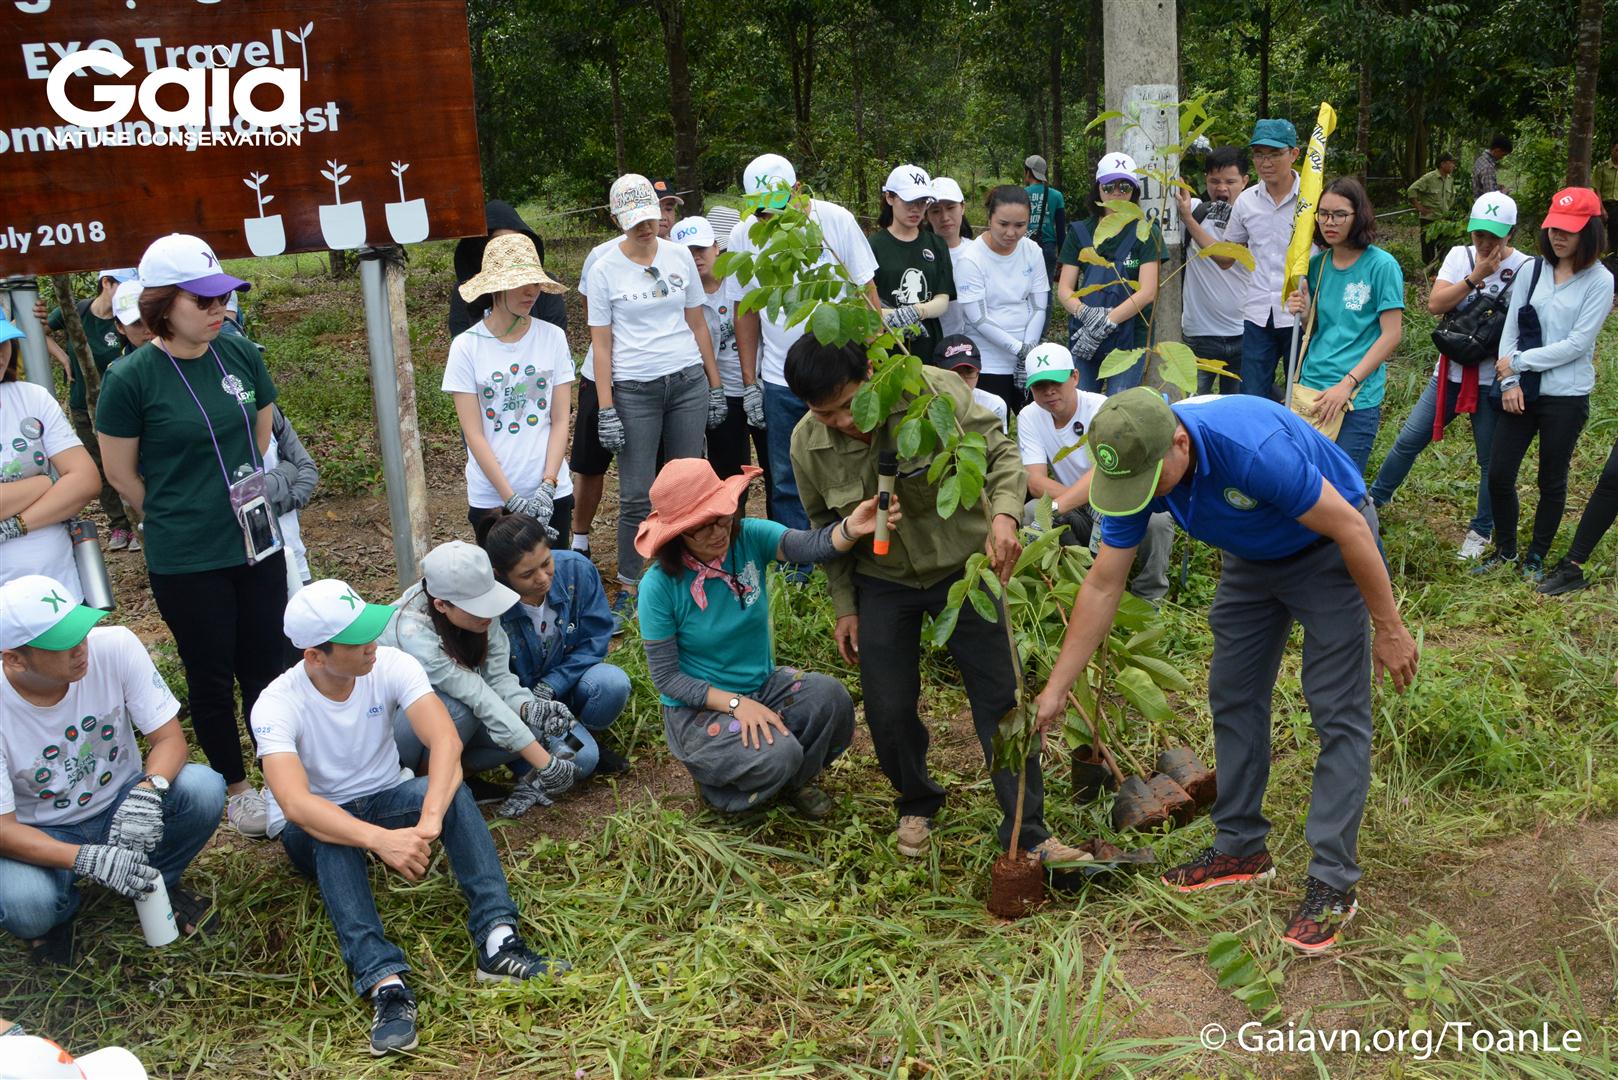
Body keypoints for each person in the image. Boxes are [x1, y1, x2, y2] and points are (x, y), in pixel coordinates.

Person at [1033, 389, 1419, 953]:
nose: (1144, 496)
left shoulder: (1251, 449)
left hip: (1329, 547)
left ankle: (1333, 883)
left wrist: (1389, 626)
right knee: (1233, 694)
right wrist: (1056, 689)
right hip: (1252, 558)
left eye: (1151, 483)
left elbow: (1352, 528)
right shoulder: (1139, 468)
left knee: (1337, 712)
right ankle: (1240, 846)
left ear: (1180, 442)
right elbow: (1103, 584)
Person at [786, 337, 1088, 864]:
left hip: (965, 568)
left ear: (871, 375)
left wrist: (1004, 515)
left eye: (847, 406)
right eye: (824, 414)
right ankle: (917, 800)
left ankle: (1028, 830)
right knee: (888, 706)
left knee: (1001, 700)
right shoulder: (806, 444)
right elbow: (824, 528)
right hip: (882, 579)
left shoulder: (931, 392)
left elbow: (999, 452)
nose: (841, 422)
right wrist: (845, 606)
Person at [254, 579, 569, 1056]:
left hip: (386, 797)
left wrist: (430, 819)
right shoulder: (277, 703)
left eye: (370, 630)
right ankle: (385, 981)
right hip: (317, 826)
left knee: (450, 789)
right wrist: (381, 841)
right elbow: (297, 804)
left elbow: (445, 742)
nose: (371, 644)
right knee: (329, 831)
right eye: (357, 639)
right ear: (315, 655)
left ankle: (498, 940)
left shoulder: (389, 664)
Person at [96, 234, 287, 839]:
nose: (218, 309)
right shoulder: (130, 378)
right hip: (187, 555)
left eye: (223, 296)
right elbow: (121, 474)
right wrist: (181, 510)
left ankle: (280, 777)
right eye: (202, 300)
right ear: (160, 304)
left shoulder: (240, 352)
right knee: (210, 673)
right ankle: (236, 789)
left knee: (268, 663)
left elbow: (258, 433)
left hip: (255, 540)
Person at [0, 575, 225, 964]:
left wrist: (148, 791)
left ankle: (155, 878)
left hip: (121, 801)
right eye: (61, 644)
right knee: (28, 907)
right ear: (15, 659)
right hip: (41, 828)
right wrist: (83, 858)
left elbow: (170, 740)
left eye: (80, 631)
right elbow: (3, 829)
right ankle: (60, 910)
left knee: (203, 788)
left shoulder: (115, 645)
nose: (80, 648)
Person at [636, 459, 865, 816]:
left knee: (830, 698)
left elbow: (807, 546)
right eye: (700, 528)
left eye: (721, 517)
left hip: (762, 685)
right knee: (779, 754)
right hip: (699, 710)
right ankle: (720, 792)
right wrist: (735, 704)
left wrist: (851, 528)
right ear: (677, 534)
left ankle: (794, 781)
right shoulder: (659, 587)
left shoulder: (749, 537)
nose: (717, 532)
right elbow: (667, 678)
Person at [589, 172, 725, 612]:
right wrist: (606, 408)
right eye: (634, 221)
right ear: (616, 220)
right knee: (636, 492)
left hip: (686, 380)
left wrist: (715, 385)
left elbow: (697, 322)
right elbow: (602, 343)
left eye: (650, 217)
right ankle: (631, 583)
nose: (646, 226)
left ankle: (687, 570)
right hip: (635, 388)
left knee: (689, 484)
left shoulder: (678, 255)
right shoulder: (604, 268)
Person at [726, 153, 880, 530]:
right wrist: (750, 382)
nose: (768, 218)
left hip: (842, 374)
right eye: (760, 210)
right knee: (786, 476)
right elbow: (745, 310)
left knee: (853, 464)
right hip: (781, 379)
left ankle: (852, 542)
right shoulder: (744, 233)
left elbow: (866, 293)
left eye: (776, 207)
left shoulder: (834, 222)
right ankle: (798, 556)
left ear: (797, 191)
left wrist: (873, 360)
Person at [1369, 195, 1527, 560]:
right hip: (1449, 374)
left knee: (1489, 461)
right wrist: (1476, 276)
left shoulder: (1525, 267)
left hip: (1491, 380)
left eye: (1494, 236)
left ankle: (1481, 530)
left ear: (1512, 232)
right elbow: (1435, 304)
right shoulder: (1460, 257)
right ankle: (1374, 501)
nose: (1485, 242)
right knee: (1408, 440)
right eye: (1479, 234)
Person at [378, 541, 580, 817]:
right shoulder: (411, 630)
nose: (489, 613)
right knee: (457, 709)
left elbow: (498, 676)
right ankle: (422, 790)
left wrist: (528, 707)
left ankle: (459, 776)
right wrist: (546, 764)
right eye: (477, 607)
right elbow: (476, 694)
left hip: (447, 727)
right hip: (391, 737)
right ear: (441, 605)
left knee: (529, 729)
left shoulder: (479, 613)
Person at [1475, 188, 1614, 579]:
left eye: (1569, 230)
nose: (1558, 236)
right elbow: (1512, 327)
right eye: (1554, 227)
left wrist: (1518, 362)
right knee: (1499, 474)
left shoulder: (1600, 281)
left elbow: (1577, 344)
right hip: (1521, 391)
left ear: (1590, 232)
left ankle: (1536, 556)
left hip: (1565, 396)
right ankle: (1505, 551)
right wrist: (1509, 380)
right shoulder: (1533, 270)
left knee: (1551, 479)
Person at [477, 510, 632, 778]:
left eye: (546, 562)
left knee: (613, 683)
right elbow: (495, 681)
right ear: (500, 574)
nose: (543, 578)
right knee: (582, 760)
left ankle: (582, 735)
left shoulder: (576, 570)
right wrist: (532, 704)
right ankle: (553, 750)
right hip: (526, 708)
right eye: (527, 574)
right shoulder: (489, 608)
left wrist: (553, 683)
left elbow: (596, 639)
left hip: (571, 686)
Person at [444, 232, 575, 542]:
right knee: (503, 573)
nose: (532, 291)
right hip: (492, 498)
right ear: (496, 286)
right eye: (520, 283)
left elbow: (560, 419)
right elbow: (474, 434)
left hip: (552, 491)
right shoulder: (466, 347)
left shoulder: (552, 337)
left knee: (554, 570)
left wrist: (548, 485)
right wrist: (511, 498)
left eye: (535, 282)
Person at [1017, 343, 1172, 603]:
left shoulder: (1103, 409)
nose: (1049, 391)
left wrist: (1083, 500)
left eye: (1056, 382)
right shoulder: (1029, 416)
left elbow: (1104, 470)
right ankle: (1077, 582)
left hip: (1122, 501)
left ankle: (1149, 596)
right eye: (1040, 385)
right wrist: (1080, 500)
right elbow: (1035, 481)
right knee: (1034, 510)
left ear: (1075, 377)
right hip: (1079, 507)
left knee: (1157, 520)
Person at [1283, 177, 1404, 474]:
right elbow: (1317, 328)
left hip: (1355, 397)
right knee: (1305, 480)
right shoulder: (1317, 265)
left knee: (1343, 484)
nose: (1329, 222)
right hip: (1312, 388)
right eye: (1323, 214)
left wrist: (1347, 385)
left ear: (1358, 216)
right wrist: (1304, 311)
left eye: (1339, 214)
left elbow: (1391, 335)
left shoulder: (1382, 266)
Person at [673, 215, 772, 511]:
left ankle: (782, 534)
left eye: (701, 249)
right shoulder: (678, 297)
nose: (696, 257)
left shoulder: (742, 280)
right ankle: (731, 534)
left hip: (761, 385)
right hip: (720, 395)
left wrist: (756, 381)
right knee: (729, 479)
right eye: (688, 252)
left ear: (716, 247)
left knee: (776, 469)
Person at [0, 315, 100, 601]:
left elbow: (85, 481)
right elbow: (69, 478)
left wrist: (13, 526)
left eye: (2, 343)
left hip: (58, 587)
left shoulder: (32, 398)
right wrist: (44, 483)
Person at [37, 269, 137, 552]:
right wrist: (63, 357)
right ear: (106, 283)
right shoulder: (76, 311)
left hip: (118, 409)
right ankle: (119, 525)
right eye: (122, 285)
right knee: (98, 466)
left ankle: (137, 522)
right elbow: (37, 331)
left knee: (127, 464)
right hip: (82, 405)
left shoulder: (127, 320)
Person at [1057, 153, 1167, 394]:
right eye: (1109, 186)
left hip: (1130, 340)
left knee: (1119, 405)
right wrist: (1086, 315)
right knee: (1081, 401)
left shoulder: (1147, 232)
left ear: (1134, 191)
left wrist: (1107, 321)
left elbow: (1148, 291)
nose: (1117, 193)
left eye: (1124, 186)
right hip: (1085, 334)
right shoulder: (1079, 232)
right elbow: (1065, 289)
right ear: (1098, 188)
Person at [954, 185, 1050, 418]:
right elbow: (978, 318)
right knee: (994, 429)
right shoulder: (971, 259)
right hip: (989, 360)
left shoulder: (1033, 251)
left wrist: (1028, 350)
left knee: (1039, 422)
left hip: (1028, 356)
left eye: (1020, 225)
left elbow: (1039, 305)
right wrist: (1018, 350)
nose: (1011, 233)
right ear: (989, 219)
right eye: (1003, 224)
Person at [1223, 119, 1302, 400]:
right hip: (1258, 314)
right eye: (1259, 155)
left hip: (1301, 313)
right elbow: (1228, 254)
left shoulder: (1312, 199)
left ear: (1294, 154)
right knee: (1251, 396)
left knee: (1302, 394)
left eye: (1274, 154)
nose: (1265, 163)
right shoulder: (1246, 201)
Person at [1175, 146, 1251, 394]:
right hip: (1199, 336)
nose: (1222, 188)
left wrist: (1188, 220)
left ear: (1245, 181)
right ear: (1205, 179)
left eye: (1230, 181)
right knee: (1191, 409)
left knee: (1235, 411)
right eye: (1214, 181)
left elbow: (1225, 257)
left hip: (1243, 333)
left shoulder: (1253, 216)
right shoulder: (1195, 209)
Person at [870, 164, 955, 366]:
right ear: (890, 198)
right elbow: (865, 301)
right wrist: (894, 316)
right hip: (888, 347)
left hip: (929, 347)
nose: (916, 208)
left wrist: (917, 311)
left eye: (922, 202)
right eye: (909, 201)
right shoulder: (872, 246)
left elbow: (942, 298)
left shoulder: (936, 244)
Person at [447, 200, 567, 338]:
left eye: (514, 240)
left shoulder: (542, 288)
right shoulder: (466, 291)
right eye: (498, 241)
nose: (508, 248)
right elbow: (460, 333)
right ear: (482, 246)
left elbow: (554, 335)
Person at [265, 405, 319, 603]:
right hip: (252, 571)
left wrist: (277, 506)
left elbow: (307, 467)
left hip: (295, 559)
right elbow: (244, 492)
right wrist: (288, 469)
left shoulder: (271, 412)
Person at [925, 176, 974, 341]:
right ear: (926, 215)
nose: (944, 217)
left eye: (951, 207)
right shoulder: (921, 255)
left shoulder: (978, 251)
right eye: (935, 211)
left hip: (976, 341)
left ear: (962, 207)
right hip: (935, 342)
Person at [934, 334, 1007, 432]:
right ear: (936, 371)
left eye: (969, 372)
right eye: (954, 373)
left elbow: (996, 441)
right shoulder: (926, 405)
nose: (962, 380)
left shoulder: (993, 405)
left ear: (978, 372)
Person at [1407, 153, 1457, 267]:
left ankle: (1440, 270)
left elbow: (1452, 197)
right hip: (1429, 220)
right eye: (1451, 163)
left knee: (1443, 249)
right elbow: (1411, 190)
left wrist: (1448, 211)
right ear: (1443, 164)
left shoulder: (1450, 179)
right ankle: (1428, 271)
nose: (1453, 166)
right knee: (1428, 250)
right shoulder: (1429, 178)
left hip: (1443, 221)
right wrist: (1419, 207)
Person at [1024, 154, 1067, 281]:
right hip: (1048, 246)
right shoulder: (1056, 195)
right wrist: (1062, 256)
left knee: (1024, 285)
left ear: (1028, 172)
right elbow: (1060, 229)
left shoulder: (1022, 194)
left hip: (1025, 246)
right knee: (1046, 287)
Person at [1593, 142, 1618, 260]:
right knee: (1596, 232)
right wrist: (1601, 208)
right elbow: (1596, 189)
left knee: (1614, 234)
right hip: (1603, 204)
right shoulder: (1602, 167)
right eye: (1617, 150)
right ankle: (1593, 257)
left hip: (1617, 206)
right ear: (1611, 150)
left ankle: (1611, 259)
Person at [1471, 135, 1512, 200]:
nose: (1502, 157)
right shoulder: (1488, 167)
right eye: (1503, 154)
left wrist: (1496, 187)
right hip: (1484, 204)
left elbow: (1481, 185)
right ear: (1497, 150)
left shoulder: (1480, 159)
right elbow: (1491, 196)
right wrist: (1504, 193)